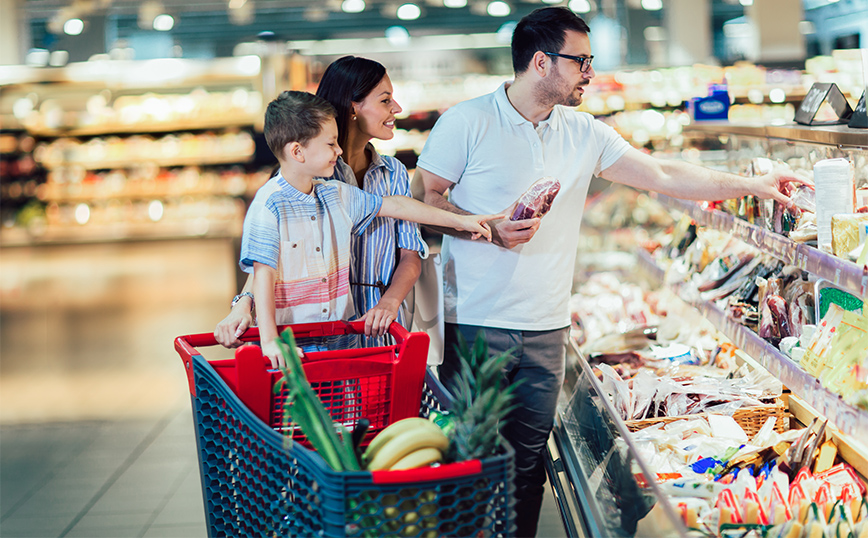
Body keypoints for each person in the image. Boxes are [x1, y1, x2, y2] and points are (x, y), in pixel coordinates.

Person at [413, 7, 807, 537]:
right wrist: (485, 228)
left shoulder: (583, 133)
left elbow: (662, 173)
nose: (590, 73)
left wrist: (753, 185)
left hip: (546, 327)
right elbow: (426, 198)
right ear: (539, 62)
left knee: (528, 472)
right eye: (581, 61)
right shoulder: (467, 122)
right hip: (475, 321)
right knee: (470, 463)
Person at [243, 90, 496, 367]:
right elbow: (263, 274)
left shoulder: (335, 194)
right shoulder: (269, 205)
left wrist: (464, 220)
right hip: (291, 351)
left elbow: (398, 206)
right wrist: (269, 340)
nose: (338, 151)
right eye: (330, 144)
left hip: (342, 342)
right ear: (297, 151)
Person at [215, 56, 425, 349]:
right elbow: (272, 260)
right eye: (386, 100)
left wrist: (389, 303)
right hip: (321, 334)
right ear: (354, 108)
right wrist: (244, 303)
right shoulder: (307, 176)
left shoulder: (393, 172)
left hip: (382, 328)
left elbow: (410, 253)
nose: (397, 109)